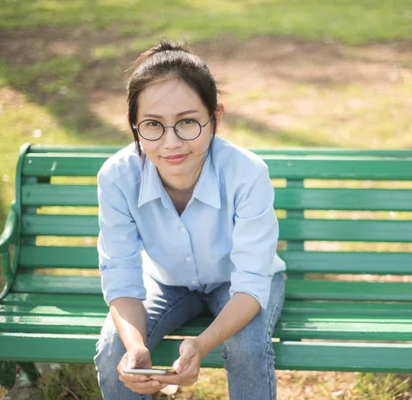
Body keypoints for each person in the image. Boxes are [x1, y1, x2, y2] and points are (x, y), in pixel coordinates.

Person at [93, 40, 286, 400]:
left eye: (187, 122)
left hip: (239, 286)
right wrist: (135, 345)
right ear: (134, 125)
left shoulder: (247, 173)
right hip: (166, 282)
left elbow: (251, 282)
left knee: (247, 347)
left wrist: (202, 343)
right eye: (153, 124)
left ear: (216, 117)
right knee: (115, 351)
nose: (171, 143)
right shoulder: (117, 177)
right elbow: (120, 274)